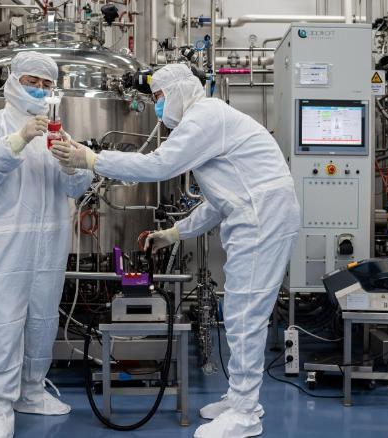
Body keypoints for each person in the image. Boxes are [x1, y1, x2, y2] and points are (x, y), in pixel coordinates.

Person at [52, 63, 300, 438]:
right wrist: (173, 233)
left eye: (159, 98)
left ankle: (246, 414)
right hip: (256, 216)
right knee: (238, 312)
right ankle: (239, 399)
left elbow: (160, 166)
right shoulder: (206, 123)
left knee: (244, 316)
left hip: (262, 219)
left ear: (180, 90)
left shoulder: (206, 116)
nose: (157, 108)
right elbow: (217, 201)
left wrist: (92, 159)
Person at [0, 51, 93, 438]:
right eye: (31, 82)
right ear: (14, 81)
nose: (38, 90)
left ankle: (32, 390)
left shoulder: (58, 132)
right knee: (0, 321)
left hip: (49, 242)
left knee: (42, 318)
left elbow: (77, 187)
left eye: (46, 85)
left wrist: (72, 164)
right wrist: (20, 138)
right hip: (4, 243)